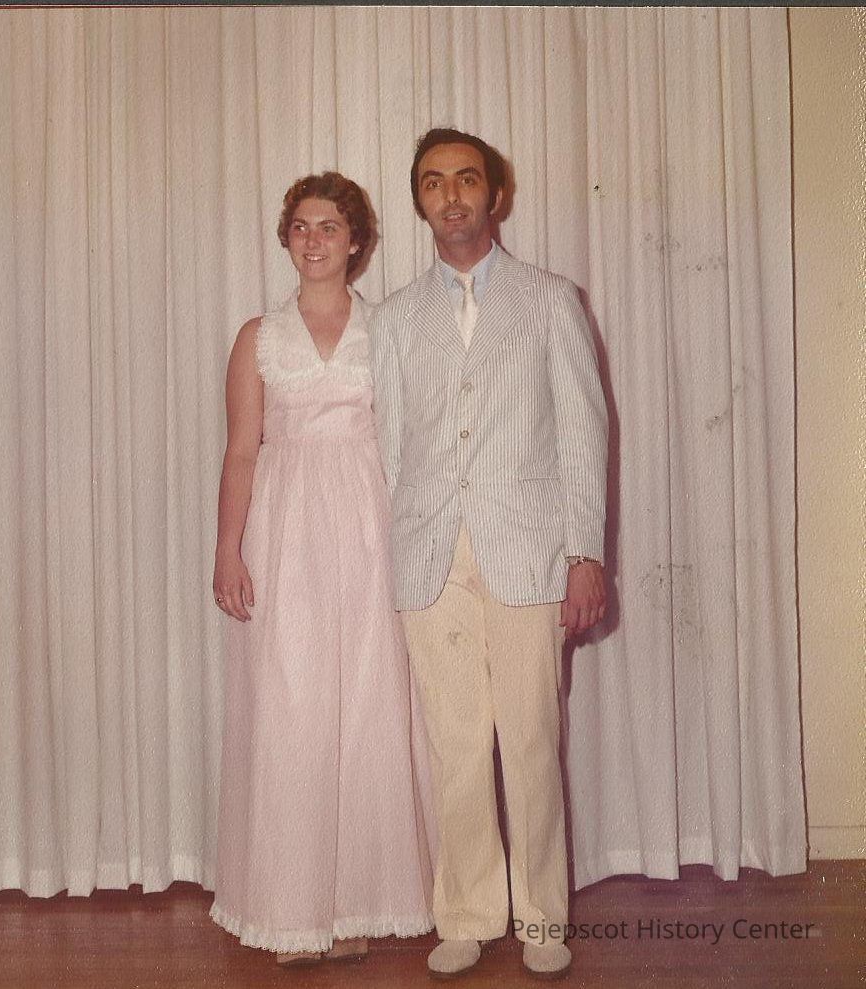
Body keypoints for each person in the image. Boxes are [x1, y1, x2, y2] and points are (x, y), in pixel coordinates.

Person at [370, 128, 608, 980]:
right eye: (434, 183)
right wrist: (411, 537)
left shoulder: (551, 300)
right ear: (420, 201)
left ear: (495, 195)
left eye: (467, 179)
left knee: (532, 736)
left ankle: (543, 916)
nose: (452, 196)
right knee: (457, 743)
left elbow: (584, 432)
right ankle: (467, 912)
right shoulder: (395, 318)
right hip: (432, 555)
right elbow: (392, 447)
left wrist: (584, 552)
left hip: (529, 551)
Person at [210, 172, 434, 965]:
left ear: (357, 241)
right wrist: (228, 548)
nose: (314, 240)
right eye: (301, 226)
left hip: (370, 524)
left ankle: (354, 904)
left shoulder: (388, 329)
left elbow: (409, 444)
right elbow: (242, 450)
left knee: (370, 705)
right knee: (293, 706)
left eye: (330, 226)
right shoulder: (258, 337)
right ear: (286, 238)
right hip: (286, 531)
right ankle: (290, 906)